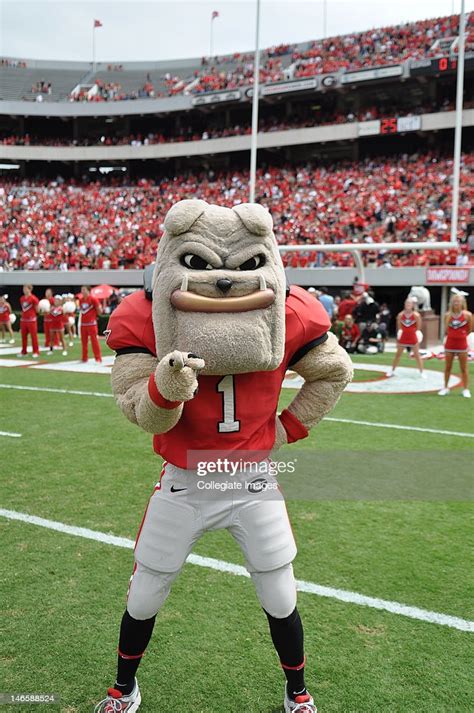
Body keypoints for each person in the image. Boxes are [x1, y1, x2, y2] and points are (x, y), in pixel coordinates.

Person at [94, 200, 353, 713]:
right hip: (185, 479)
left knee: (280, 593)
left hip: (252, 480)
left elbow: (334, 371)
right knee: (146, 590)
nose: (224, 279)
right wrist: (165, 389)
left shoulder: (291, 312)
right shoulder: (145, 317)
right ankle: (125, 686)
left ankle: (297, 691)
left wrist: (287, 427)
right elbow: (142, 412)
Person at [438, 293, 472, 398]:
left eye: (458, 301)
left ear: (462, 303)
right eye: (454, 301)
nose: (456, 303)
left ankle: (465, 389)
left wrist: (461, 336)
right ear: (451, 303)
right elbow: (447, 329)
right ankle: (445, 387)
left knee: (464, 368)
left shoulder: (468, 315)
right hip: (450, 343)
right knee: (448, 367)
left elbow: (469, 329)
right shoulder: (447, 315)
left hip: (462, 344)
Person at [387, 299, 424, 377]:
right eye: (407, 303)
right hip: (404, 336)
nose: (408, 305)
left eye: (410, 303)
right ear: (404, 304)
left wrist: (416, 334)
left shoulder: (416, 315)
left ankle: (422, 372)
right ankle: (392, 370)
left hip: (412, 336)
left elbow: (419, 326)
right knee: (398, 355)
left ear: (412, 305)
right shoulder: (400, 315)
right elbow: (399, 326)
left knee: (417, 355)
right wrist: (399, 335)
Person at [79, 286, 102, 363]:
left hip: (92, 324)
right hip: (83, 324)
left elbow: (99, 310)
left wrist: (96, 313)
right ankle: (84, 358)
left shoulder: (93, 299)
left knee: (94, 341)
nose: (82, 291)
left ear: (88, 290)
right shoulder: (81, 300)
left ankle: (98, 358)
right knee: (83, 342)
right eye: (82, 290)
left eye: (84, 289)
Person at [18, 284, 39, 358]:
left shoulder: (34, 298)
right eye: (23, 288)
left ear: (30, 289)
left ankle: (36, 351)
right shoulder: (22, 298)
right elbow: (23, 309)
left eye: (26, 288)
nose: (24, 290)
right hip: (23, 320)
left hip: (31, 320)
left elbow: (37, 310)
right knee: (23, 336)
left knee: (33, 336)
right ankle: (24, 351)